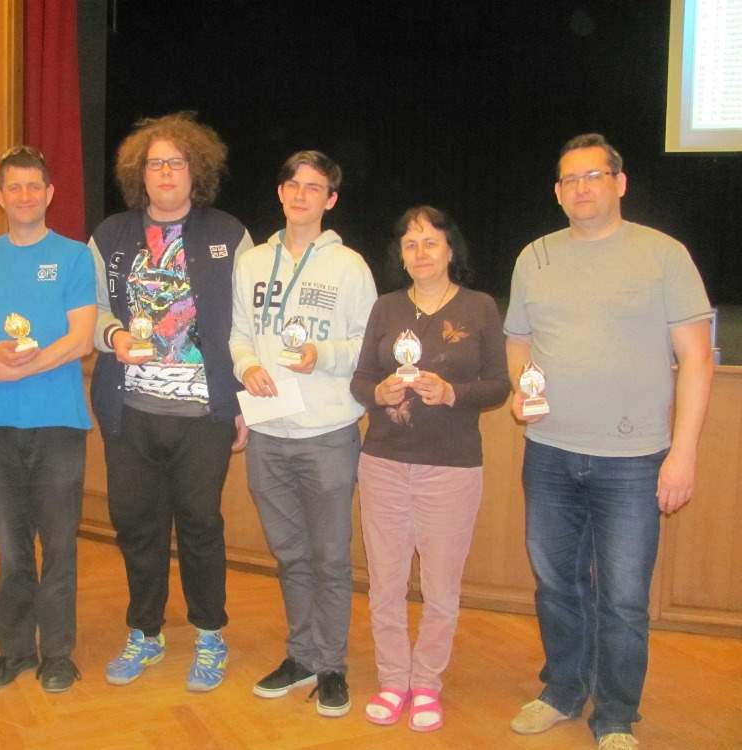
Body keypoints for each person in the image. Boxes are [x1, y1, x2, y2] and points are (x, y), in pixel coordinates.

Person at [504, 134, 713, 750]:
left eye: (593, 176)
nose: (581, 188)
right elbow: (518, 339)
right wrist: (521, 388)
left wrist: (683, 452)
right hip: (550, 452)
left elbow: (697, 359)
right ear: (557, 192)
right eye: (570, 179)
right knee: (556, 585)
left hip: (635, 460)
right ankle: (562, 690)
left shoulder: (663, 254)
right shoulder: (535, 257)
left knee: (623, 599)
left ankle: (617, 714)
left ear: (619, 183)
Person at [89, 112, 251, 692]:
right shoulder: (110, 235)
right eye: (155, 163)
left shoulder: (229, 233)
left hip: (203, 415)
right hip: (131, 412)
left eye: (176, 162)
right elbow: (91, 311)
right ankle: (145, 632)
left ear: (195, 170)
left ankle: (209, 634)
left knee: (201, 524)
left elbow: (245, 324)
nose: (165, 172)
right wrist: (112, 335)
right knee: (136, 524)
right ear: (139, 172)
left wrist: (240, 403)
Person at [350, 205, 509, 731]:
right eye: (410, 244)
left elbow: (499, 386)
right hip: (384, 463)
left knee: (441, 590)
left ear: (450, 249)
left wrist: (451, 392)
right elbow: (360, 381)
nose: (420, 253)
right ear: (401, 255)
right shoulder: (386, 308)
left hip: (452, 468)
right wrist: (378, 392)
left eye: (430, 242)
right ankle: (393, 681)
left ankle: (426, 685)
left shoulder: (480, 307)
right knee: (386, 585)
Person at [229, 150, 376, 716]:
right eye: (292, 184)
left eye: (314, 187)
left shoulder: (350, 267)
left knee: (330, 556)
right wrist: (247, 366)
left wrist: (323, 354)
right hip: (268, 431)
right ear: (280, 192)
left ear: (330, 199)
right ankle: (301, 656)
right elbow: (239, 333)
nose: (300, 194)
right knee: (290, 555)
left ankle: (332, 665)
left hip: (328, 432)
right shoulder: (252, 263)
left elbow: (367, 344)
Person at [0, 146, 96, 693]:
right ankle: (15, 650)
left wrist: (21, 368)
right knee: (12, 548)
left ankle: (58, 655)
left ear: (49, 194)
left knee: (58, 546)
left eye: (33, 186)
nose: (23, 196)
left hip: (58, 423)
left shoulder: (73, 256)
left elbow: (81, 339)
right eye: (13, 187)